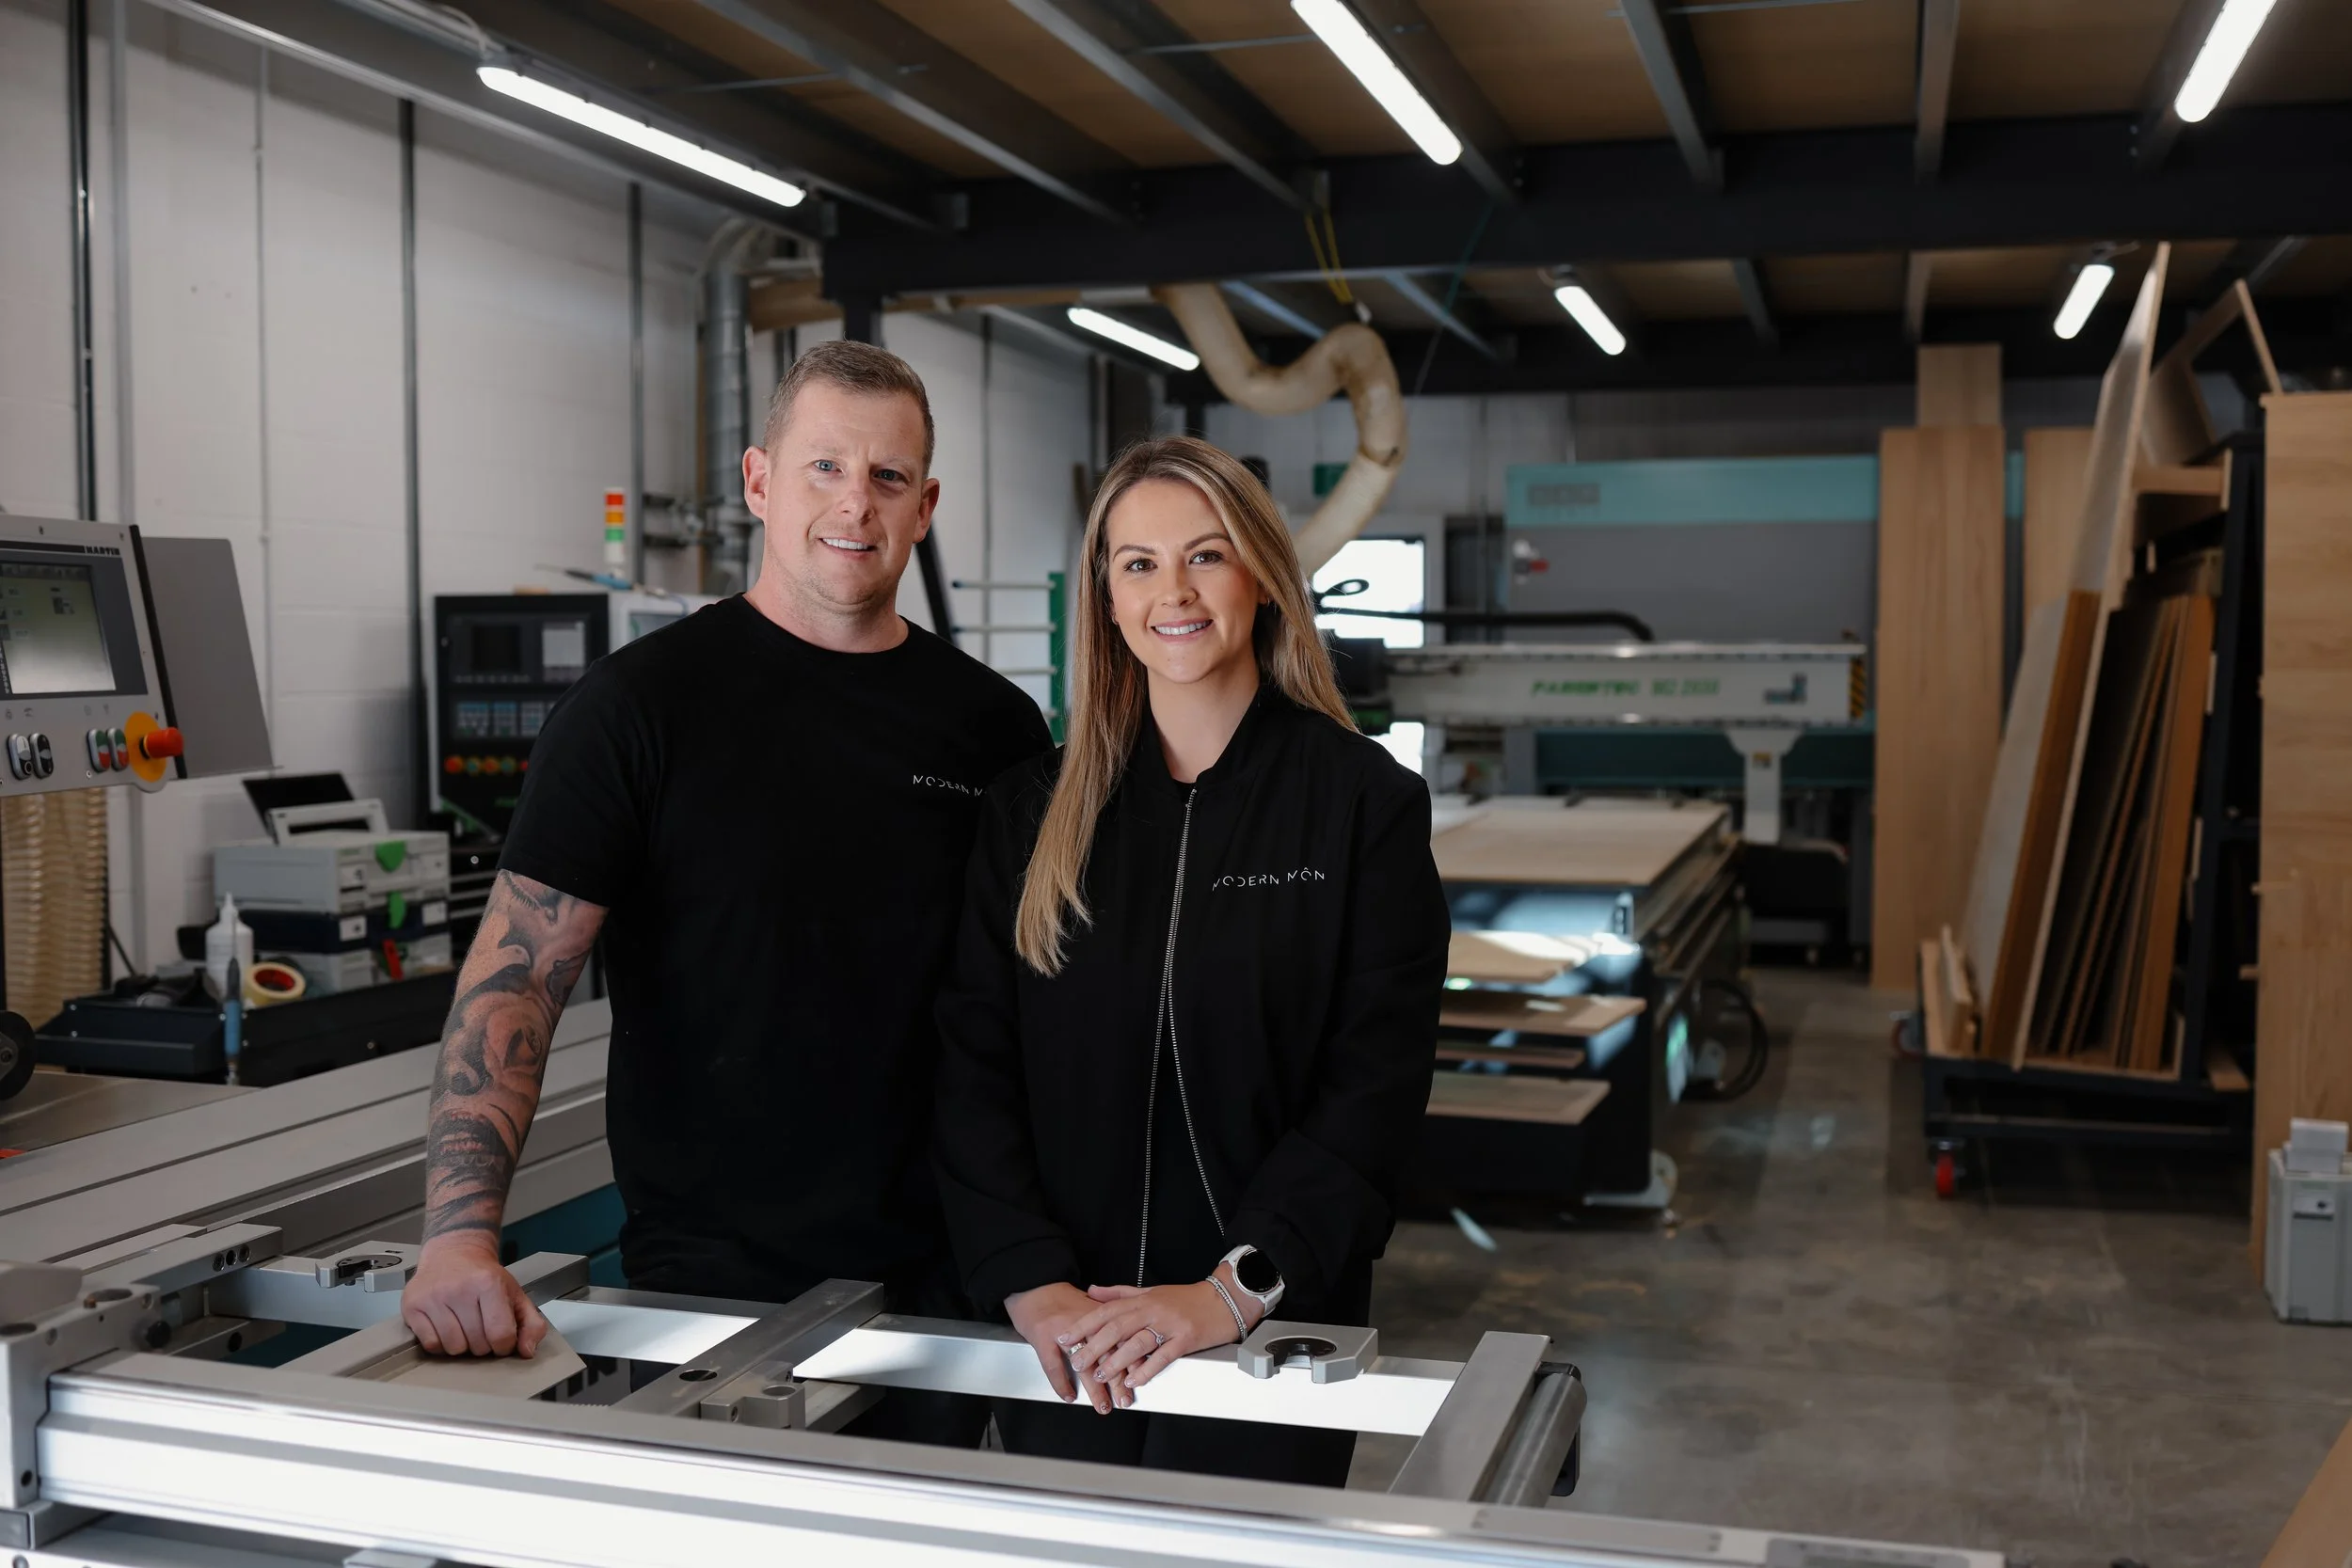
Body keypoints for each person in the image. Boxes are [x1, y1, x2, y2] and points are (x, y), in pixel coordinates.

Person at [399, 340, 1052, 1450]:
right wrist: (459, 1236)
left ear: (925, 502)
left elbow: (1032, 1004)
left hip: (943, 1268)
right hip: (709, 1273)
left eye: (889, 476)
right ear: (758, 481)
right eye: (824, 468)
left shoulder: (991, 727)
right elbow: (516, 979)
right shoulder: (636, 709)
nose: (856, 504)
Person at [932, 436, 1450, 1486]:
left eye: (1205, 555)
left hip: (1268, 1330)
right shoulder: (1029, 811)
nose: (1173, 590)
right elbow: (970, 1059)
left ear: (1260, 575)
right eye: (1138, 563)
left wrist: (1232, 1287)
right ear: (1108, 598)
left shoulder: (1361, 805)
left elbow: (1374, 1088)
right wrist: (1030, 1279)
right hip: (1068, 1343)